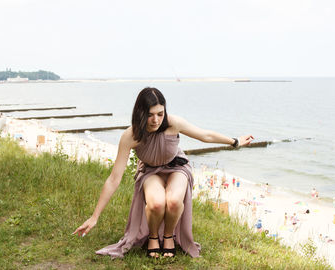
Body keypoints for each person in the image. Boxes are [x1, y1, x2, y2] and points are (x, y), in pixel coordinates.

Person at [73, 87, 254, 258]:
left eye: (160, 114)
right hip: (150, 172)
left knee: (174, 201)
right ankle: (153, 237)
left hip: (177, 167)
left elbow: (205, 135)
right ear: (140, 113)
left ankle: (168, 237)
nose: (156, 120)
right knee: (157, 204)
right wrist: (94, 216)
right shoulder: (131, 136)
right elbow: (114, 179)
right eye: (150, 115)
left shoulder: (173, 123)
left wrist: (235, 141)